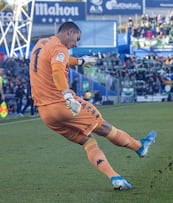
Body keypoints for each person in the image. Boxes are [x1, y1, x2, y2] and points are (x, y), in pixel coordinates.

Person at [29, 22, 157, 190]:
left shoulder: (41, 44)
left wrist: (81, 61)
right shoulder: (60, 48)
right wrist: (67, 95)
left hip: (46, 114)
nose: (76, 44)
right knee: (104, 127)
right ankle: (139, 147)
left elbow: (58, 61)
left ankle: (115, 178)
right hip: (63, 105)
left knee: (88, 142)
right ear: (69, 32)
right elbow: (58, 70)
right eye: (77, 39)